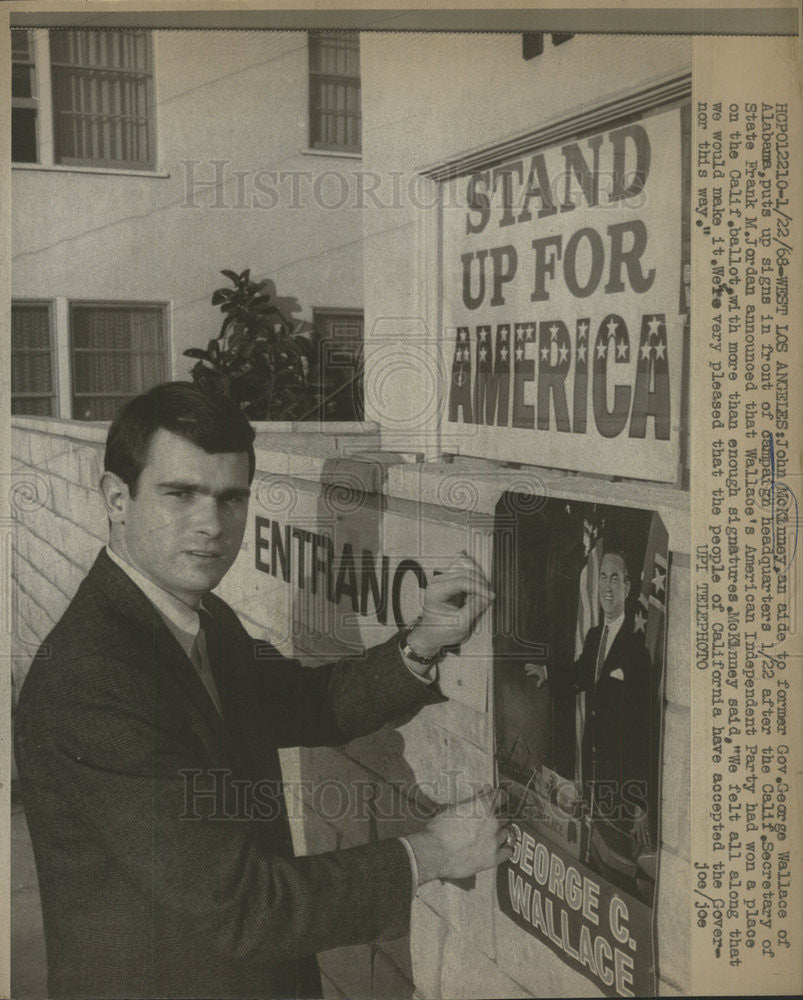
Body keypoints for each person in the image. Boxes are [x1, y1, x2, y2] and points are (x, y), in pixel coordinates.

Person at [14, 382, 511, 1000]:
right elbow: (245, 908)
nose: (211, 526)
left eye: (230, 499)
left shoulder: (197, 616)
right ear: (118, 498)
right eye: (180, 494)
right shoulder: (92, 684)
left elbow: (307, 704)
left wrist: (422, 643)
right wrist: (431, 853)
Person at [526, 551, 654, 849]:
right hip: (592, 774)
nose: (608, 587)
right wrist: (547, 672)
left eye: (615, 579)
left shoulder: (637, 652)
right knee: (592, 849)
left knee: (615, 853)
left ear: (627, 587)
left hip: (622, 784)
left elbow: (642, 732)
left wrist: (641, 803)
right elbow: (580, 674)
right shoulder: (596, 636)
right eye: (604, 577)